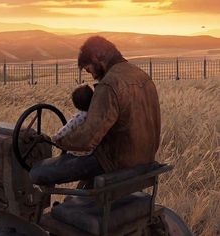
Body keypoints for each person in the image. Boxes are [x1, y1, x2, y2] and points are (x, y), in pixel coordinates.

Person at [29, 36, 161, 186]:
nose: (92, 75)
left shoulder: (108, 85)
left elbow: (88, 138)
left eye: (89, 69)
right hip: (144, 160)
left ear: (96, 57)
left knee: (37, 172)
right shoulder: (142, 76)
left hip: (114, 163)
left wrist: (59, 141)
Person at [52, 84, 94, 157]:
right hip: (91, 151)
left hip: (77, 153)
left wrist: (55, 137)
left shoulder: (78, 117)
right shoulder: (95, 114)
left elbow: (66, 129)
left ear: (76, 104)